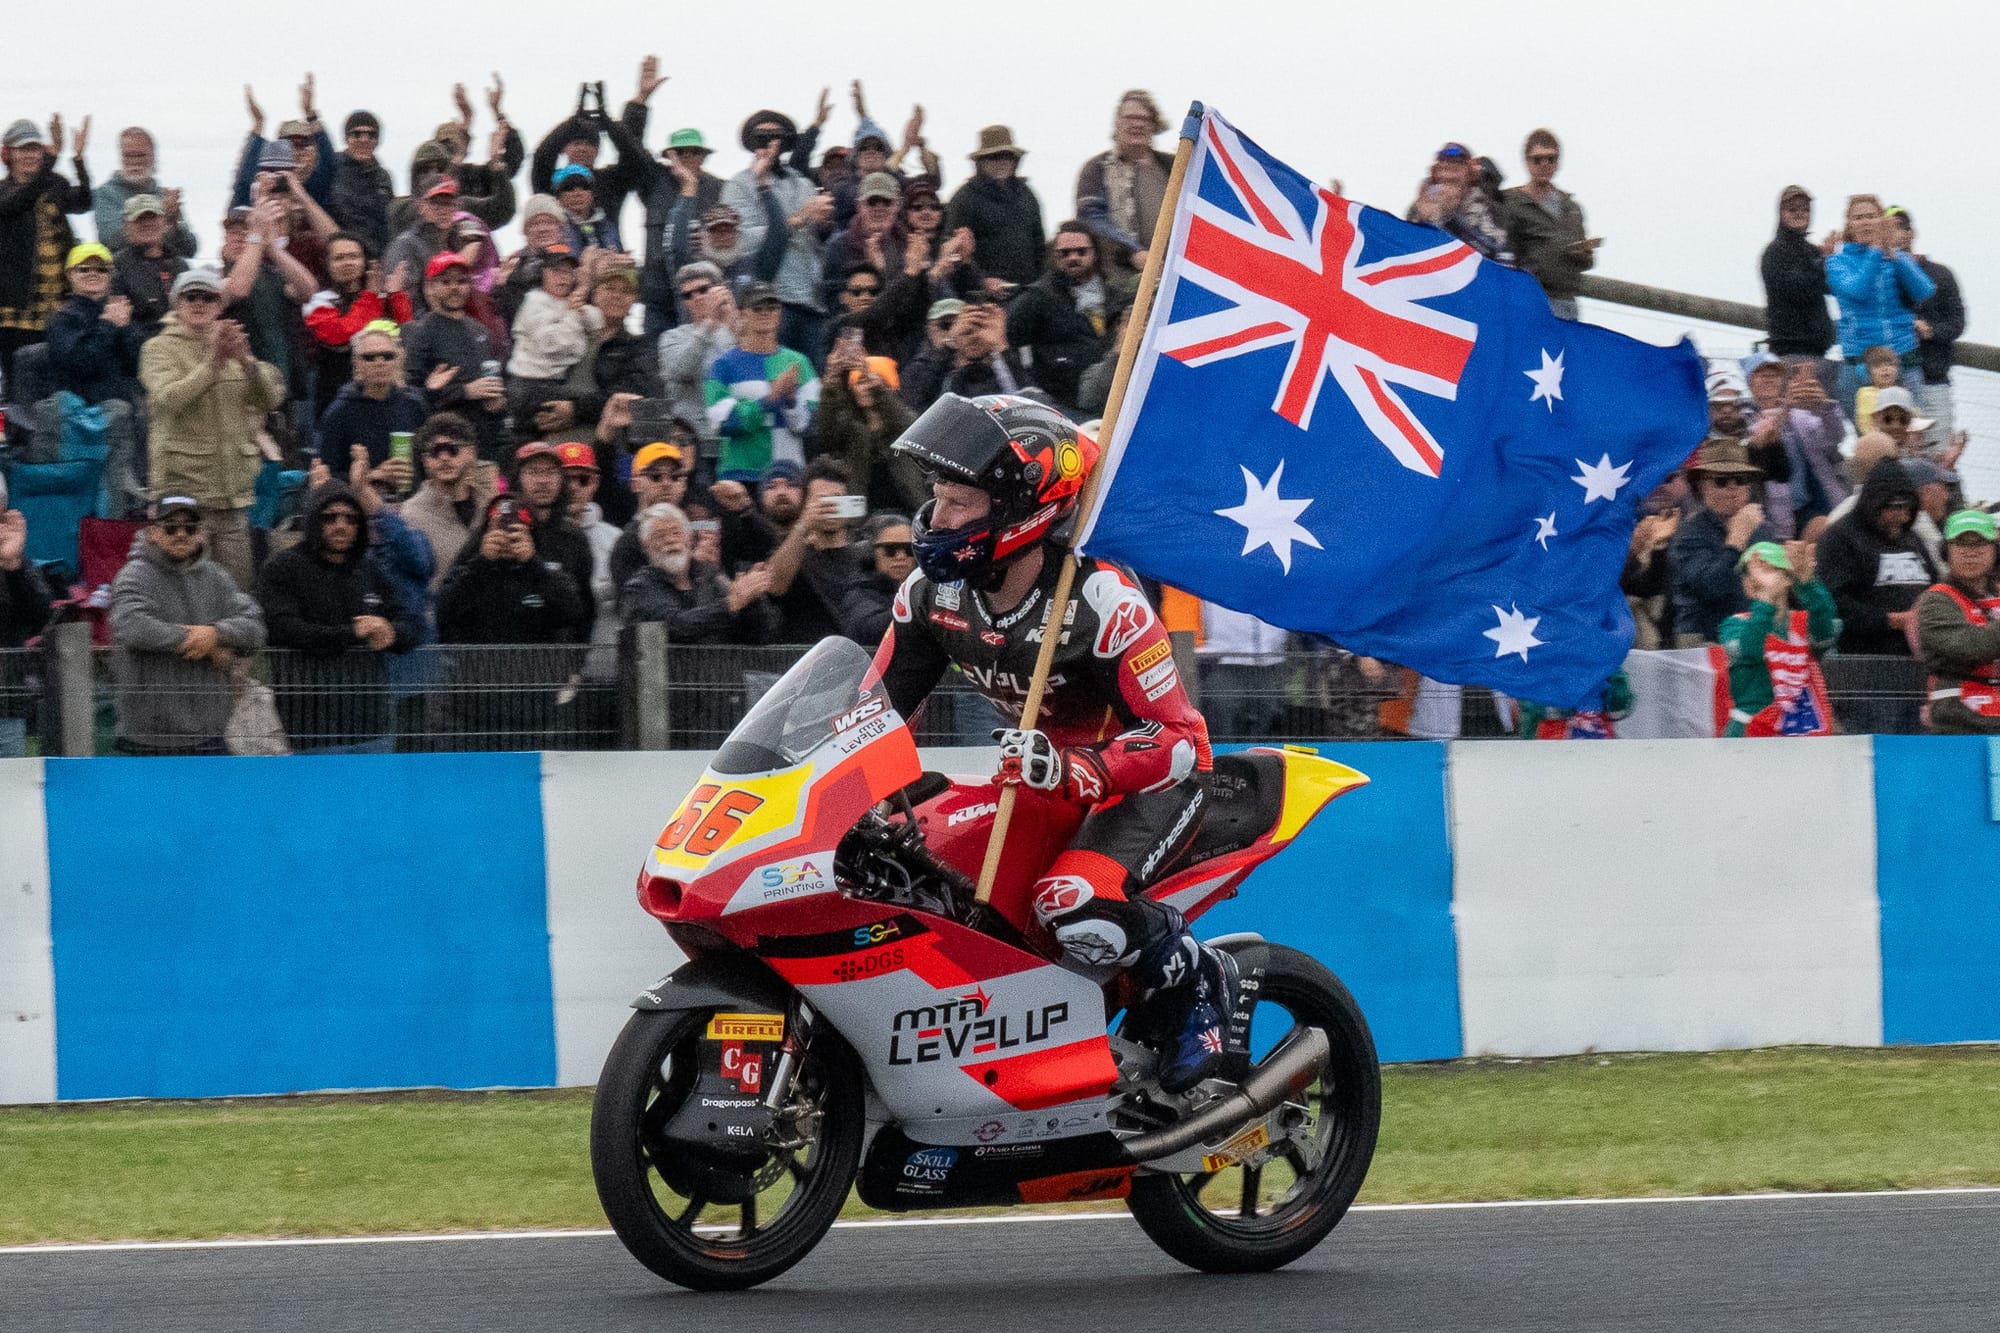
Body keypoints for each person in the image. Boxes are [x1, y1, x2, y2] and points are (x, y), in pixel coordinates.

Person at [873, 393, 1238, 1092]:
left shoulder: (1101, 600)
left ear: (1019, 512)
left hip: (1147, 782)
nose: (936, 518)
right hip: (1039, 775)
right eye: (938, 496)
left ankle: (1197, 978)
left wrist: (1081, 765)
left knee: (1072, 901)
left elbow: (1181, 738)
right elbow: (873, 709)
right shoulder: (929, 595)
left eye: (960, 501)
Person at [140, 266, 286, 591]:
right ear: (177, 303)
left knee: (236, 592)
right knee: (185, 594)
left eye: (208, 296)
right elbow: (169, 398)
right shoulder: (158, 349)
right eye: (191, 296)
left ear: (220, 305)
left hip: (232, 500)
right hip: (183, 501)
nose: (199, 302)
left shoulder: (233, 344)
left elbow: (271, 398)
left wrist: (248, 363)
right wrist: (213, 365)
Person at [256, 480, 419, 752]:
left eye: (351, 518)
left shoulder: (370, 568)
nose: (340, 525)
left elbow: (413, 623)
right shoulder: (282, 568)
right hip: (310, 728)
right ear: (313, 521)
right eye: (329, 517)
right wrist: (353, 632)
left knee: (375, 795)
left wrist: (391, 631)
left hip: (371, 723)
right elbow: (285, 630)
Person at [107, 496, 266, 756]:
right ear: (153, 532)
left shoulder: (218, 577)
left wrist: (216, 634)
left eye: (190, 527)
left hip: (210, 734)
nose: (181, 534)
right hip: (149, 738)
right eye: (171, 526)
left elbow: (255, 626)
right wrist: (193, 640)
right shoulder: (133, 575)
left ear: (200, 533)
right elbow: (132, 626)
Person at [720, 111, 828, 355]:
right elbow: (744, 241)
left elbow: (816, 241)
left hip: (812, 302)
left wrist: (824, 226)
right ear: (750, 143)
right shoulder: (737, 185)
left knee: (812, 387)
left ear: (787, 141)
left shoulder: (805, 184)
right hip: (769, 303)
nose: (770, 143)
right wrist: (798, 218)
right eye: (762, 137)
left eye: (777, 136)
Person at [0, 116, 94, 386]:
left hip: (56, 305)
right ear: (9, 154)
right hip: (15, 310)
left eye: (34, 148)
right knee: (18, 383)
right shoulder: (3, 192)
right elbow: (19, 203)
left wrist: (78, 159)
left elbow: (84, 202)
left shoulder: (55, 183)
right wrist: (52, 159)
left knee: (57, 381)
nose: (30, 155)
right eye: (22, 149)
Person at [1816, 457, 1937, 659]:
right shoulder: (1841, 537)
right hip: (1866, 660)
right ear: (1875, 504)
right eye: (1896, 507)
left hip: (1919, 658)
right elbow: (1835, 602)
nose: (1903, 516)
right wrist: (1893, 620)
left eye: (1909, 508)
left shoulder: (1912, 539)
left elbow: (1936, 587)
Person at [1718, 541, 1839, 738]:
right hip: (1749, 732)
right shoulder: (1734, 625)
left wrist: (1808, 584)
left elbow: (1825, 635)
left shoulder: (1803, 623)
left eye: (1769, 569)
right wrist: (1766, 597)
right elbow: (1750, 650)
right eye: (1749, 573)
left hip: (1797, 734)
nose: (1756, 578)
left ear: (1787, 578)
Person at [1825, 194, 1933, 410]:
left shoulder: (1895, 256)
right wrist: (1875, 251)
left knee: (1912, 431)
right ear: (1849, 224)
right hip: (1860, 362)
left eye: (1871, 216)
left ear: (1881, 221)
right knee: (1868, 437)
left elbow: (1925, 290)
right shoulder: (1837, 261)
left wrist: (1895, 254)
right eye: (1858, 217)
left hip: (1903, 357)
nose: (1865, 222)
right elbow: (1857, 291)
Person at [1006, 222, 1129, 411]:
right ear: (1055, 257)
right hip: (1063, 406)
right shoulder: (1037, 298)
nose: (1073, 258)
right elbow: (1007, 340)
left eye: (1081, 252)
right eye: (1065, 253)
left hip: (1114, 402)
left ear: (1094, 254)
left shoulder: (1117, 298)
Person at [704, 281, 818, 480]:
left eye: (772, 307)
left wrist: (791, 401)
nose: (765, 313)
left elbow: (812, 424)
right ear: (740, 313)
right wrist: (769, 400)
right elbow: (722, 423)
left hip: (787, 477)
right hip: (740, 474)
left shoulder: (800, 362)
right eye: (757, 308)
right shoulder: (722, 365)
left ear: (780, 312)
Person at [618, 501, 777, 643]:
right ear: (646, 547)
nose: (670, 540)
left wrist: (753, 600)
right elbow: (675, 627)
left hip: (720, 671)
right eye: (660, 536)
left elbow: (757, 635)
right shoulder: (639, 588)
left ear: (689, 539)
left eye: (676, 532)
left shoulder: (710, 576)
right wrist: (730, 604)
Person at [401, 252, 508, 457]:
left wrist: (497, 404)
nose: (454, 287)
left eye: (461, 281)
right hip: (442, 446)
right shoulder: (418, 331)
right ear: (430, 287)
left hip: (482, 442)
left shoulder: (480, 330)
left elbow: (495, 383)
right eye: (446, 281)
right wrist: (464, 391)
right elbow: (411, 393)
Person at [1668, 438, 1773, 644]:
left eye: (1741, 480)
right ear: (1703, 487)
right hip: (1704, 642)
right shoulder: (1688, 534)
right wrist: (1736, 540)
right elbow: (1712, 587)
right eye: (1721, 481)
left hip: (1755, 635)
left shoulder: (1763, 530)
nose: (1732, 488)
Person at [303, 231, 414, 421]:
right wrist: (371, 297)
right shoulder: (318, 302)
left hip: (389, 398)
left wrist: (395, 296)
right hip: (338, 403)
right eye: (339, 258)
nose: (347, 263)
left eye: (354, 256)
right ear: (327, 265)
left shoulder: (381, 296)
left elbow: (407, 334)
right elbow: (340, 335)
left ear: (365, 261)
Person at [1886, 208, 1965, 450]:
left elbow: (1957, 322)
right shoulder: (1880, 273)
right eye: (1885, 228)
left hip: (1933, 380)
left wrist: (1930, 330)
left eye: (1897, 226)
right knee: (1895, 460)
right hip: (1892, 386)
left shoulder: (1941, 274)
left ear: (1911, 233)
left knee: (1938, 455)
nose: (1891, 233)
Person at [761, 457, 864, 644]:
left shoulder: (864, 557)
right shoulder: (795, 555)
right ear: (805, 504)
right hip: (804, 656)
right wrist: (804, 524)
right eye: (821, 500)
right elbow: (774, 585)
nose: (830, 506)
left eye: (837, 498)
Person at [1916, 510, 2000, 735]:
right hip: (1957, 720)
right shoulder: (1935, 601)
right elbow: (1972, 647)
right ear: (1947, 552)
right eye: (1961, 545)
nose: (1970, 553)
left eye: (1980, 545)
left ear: (1995, 552)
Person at [1498, 129, 1596, 321]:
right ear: (1527, 162)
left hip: (1566, 301)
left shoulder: (1572, 208)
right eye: (1538, 159)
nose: (1544, 164)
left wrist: (1583, 254)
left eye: (1550, 159)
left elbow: (1586, 262)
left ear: (1558, 162)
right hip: (1528, 299)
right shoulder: (1510, 202)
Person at [818, 337, 924, 513]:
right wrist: (830, 380)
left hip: (908, 511)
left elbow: (910, 425)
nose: (866, 387)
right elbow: (825, 433)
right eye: (860, 382)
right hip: (859, 518)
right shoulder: (849, 427)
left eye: (874, 382)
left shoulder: (903, 421)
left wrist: (877, 387)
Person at [1074, 91, 1172, 274]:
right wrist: (1133, 251)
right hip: (1116, 280)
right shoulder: (1096, 169)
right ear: (1117, 124)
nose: (1137, 124)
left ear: (1153, 125)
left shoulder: (1173, 167)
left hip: (1171, 276)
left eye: (1144, 118)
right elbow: (1091, 219)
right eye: (1130, 118)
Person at [400, 412, 495, 590]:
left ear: (472, 453)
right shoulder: (410, 515)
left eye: (452, 449)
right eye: (435, 451)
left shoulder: (491, 506)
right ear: (425, 461)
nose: (444, 458)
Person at [315, 322, 428, 466]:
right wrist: (373, 476)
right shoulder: (339, 413)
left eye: (388, 356)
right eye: (369, 357)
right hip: (357, 487)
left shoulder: (415, 406)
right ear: (356, 363)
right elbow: (327, 473)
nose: (379, 363)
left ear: (398, 360)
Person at [45, 241, 144, 406]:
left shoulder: (119, 312)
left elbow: (139, 363)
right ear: (70, 274)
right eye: (84, 269)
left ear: (110, 275)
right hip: (79, 413)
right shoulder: (61, 318)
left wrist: (126, 328)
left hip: (123, 410)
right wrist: (109, 325)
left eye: (101, 269)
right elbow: (81, 364)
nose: (93, 274)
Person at [946, 126, 1044, 288]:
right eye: (993, 157)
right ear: (981, 162)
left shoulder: (1027, 194)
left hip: (1028, 291)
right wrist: (982, 281)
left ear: (1015, 160)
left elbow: (1039, 244)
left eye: (1007, 156)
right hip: (983, 295)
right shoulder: (964, 198)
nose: (1002, 161)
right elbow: (952, 250)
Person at [606, 438, 695, 593]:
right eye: (655, 476)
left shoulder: (694, 529)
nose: (666, 484)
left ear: (684, 484)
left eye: (674, 477)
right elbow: (633, 600)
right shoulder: (629, 542)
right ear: (635, 484)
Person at [92, 126, 197, 257]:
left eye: (140, 155)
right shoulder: (105, 194)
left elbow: (190, 249)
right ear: (121, 157)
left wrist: (174, 223)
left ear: (153, 158)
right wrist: (164, 221)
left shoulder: (164, 196)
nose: (135, 161)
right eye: (129, 155)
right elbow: (110, 238)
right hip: (122, 273)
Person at [1759, 185, 1835, 360]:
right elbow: (1799, 289)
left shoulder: (1812, 251)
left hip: (1818, 352)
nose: (1799, 213)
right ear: (1781, 214)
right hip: (1790, 352)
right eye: (1792, 209)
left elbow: (1831, 287)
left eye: (1805, 209)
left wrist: (1833, 260)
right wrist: (1824, 261)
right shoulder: (1775, 252)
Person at [0, 504, 51, 757]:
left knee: (10, 792)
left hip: (6, 708)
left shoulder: (13, 559)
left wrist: (14, 567)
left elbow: (41, 616)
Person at [1197, 602, 1289, 741]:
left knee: (1268, 716)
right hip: (1224, 659)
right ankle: (1223, 761)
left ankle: (1255, 759)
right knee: (1224, 720)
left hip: (1269, 660)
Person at [1406, 142, 1512, 263]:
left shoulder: (1491, 207)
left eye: (1455, 171)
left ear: (1470, 175)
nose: (1447, 177)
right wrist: (1424, 221)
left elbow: (1497, 252)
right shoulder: (1420, 207)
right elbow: (1410, 249)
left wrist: (1451, 218)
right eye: (1442, 172)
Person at [110, 195, 188, 339]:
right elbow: (118, 322)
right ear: (126, 227)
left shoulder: (180, 265)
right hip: (139, 349)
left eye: (152, 217)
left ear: (164, 222)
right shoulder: (117, 266)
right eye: (139, 219)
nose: (147, 224)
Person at [838, 512, 913, 645]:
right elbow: (871, 629)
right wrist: (922, 609)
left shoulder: (922, 588)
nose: (901, 556)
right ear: (869, 552)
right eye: (891, 549)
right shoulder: (858, 592)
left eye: (909, 549)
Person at [329, 110, 394, 255]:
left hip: (377, 257)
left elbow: (387, 223)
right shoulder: (331, 169)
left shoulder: (383, 177)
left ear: (377, 141)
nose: (364, 140)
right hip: (340, 255)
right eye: (357, 134)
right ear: (346, 138)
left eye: (371, 135)